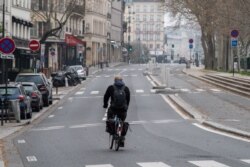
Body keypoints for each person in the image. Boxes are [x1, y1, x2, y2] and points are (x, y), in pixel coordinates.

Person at [103, 75, 130, 146]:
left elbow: (106, 97)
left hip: (113, 109)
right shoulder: (126, 88)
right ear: (122, 80)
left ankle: (111, 130)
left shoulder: (111, 88)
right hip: (123, 110)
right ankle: (121, 137)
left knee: (109, 118)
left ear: (114, 81)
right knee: (122, 121)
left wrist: (105, 105)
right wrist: (126, 108)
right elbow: (128, 100)